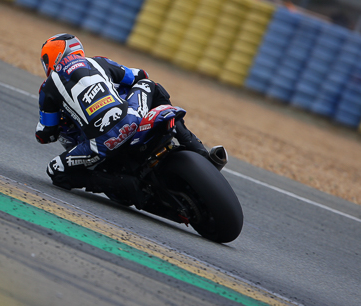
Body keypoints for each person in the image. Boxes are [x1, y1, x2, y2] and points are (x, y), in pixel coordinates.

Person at [35, 33, 227, 205]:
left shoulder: (47, 88)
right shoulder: (98, 62)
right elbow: (139, 75)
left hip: (100, 145)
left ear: (52, 58)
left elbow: (46, 133)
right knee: (149, 84)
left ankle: (121, 184)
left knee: (55, 171)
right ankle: (201, 152)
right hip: (131, 121)